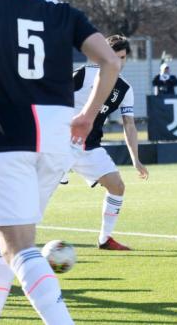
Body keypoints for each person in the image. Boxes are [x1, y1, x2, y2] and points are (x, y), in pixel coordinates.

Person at [0, 0, 121, 324]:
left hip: (9, 133)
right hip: (58, 139)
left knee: (19, 247)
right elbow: (111, 62)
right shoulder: (64, 11)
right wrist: (87, 115)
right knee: (0, 242)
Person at [66, 34, 148, 251]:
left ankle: (105, 239)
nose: (119, 62)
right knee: (33, 195)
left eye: (123, 58)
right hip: (60, 145)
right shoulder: (83, 74)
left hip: (89, 147)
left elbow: (129, 125)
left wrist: (136, 160)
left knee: (117, 186)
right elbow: (51, 96)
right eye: (115, 56)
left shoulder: (124, 89)